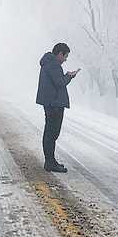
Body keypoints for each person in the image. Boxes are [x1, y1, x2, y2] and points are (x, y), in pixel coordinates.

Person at [36, 42, 80, 173]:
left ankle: (50, 160)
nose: (66, 59)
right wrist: (69, 76)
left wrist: (66, 76)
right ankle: (50, 162)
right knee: (52, 133)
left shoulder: (48, 63)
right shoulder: (53, 65)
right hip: (54, 104)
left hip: (50, 102)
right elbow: (60, 83)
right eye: (65, 56)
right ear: (60, 54)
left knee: (50, 133)